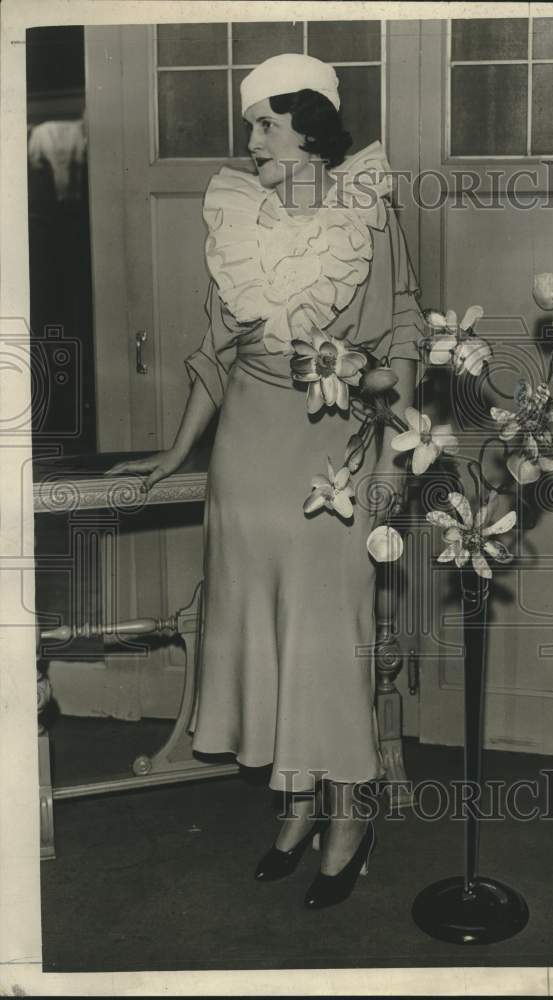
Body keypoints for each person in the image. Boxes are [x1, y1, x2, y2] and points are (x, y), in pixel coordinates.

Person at [106, 53, 422, 909]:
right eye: (251, 126)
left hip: (331, 455)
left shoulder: (367, 209)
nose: (250, 143)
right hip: (245, 449)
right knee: (262, 631)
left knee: (329, 634)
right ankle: (292, 808)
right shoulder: (236, 215)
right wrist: (179, 452)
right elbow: (216, 350)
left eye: (265, 125)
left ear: (311, 128)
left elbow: (403, 329)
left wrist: (380, 402)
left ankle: (349, 815)